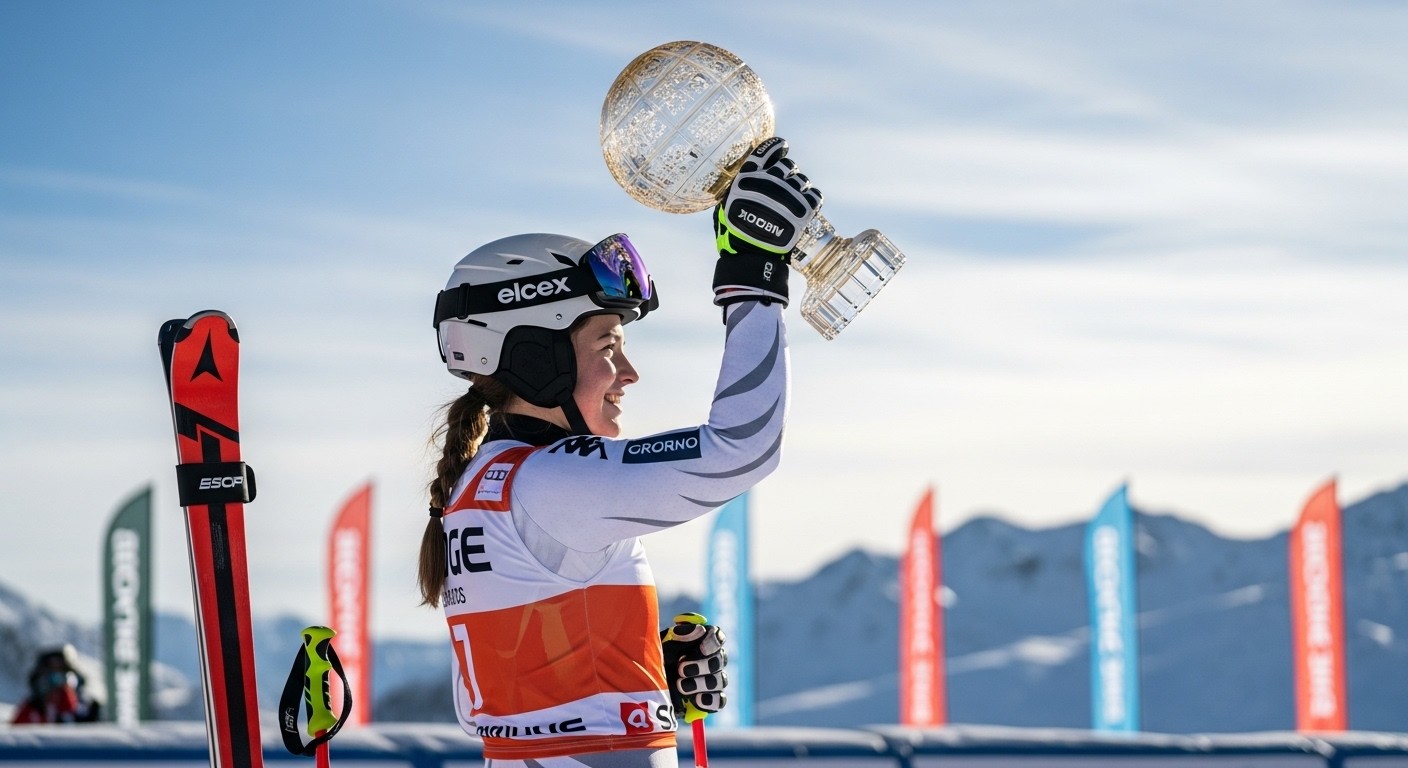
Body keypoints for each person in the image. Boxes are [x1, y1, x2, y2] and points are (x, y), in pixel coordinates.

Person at [417, 137, 821, 767]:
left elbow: (506, 696)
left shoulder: (487, 483)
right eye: (607, 344)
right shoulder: (548, 482)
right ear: (533, 356)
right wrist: (754, 280)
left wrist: (634, 669)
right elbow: (743, 449)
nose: (628, 372)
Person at [10, 645, 102, 725]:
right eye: (49, 673)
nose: (56, 682)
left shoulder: (91, 711)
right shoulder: (29, 711)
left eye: (63, 673)